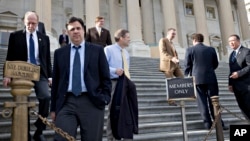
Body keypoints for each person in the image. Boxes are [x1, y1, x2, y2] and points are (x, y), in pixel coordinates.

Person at [50, 16, 111, 141]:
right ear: (67, 32)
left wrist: (105, 98)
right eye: (72, 29)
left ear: (83, 30)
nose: (76, 31)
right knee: (61, 138)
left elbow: (105, 77)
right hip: (67, 101)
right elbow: (56, 82)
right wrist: (53, 108)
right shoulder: (59, 53)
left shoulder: (97, 50)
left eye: (78, 28)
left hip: (91, 101)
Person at [3, 11, 52, 141]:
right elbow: (9, 56)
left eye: (33, 23)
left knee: (46, 97)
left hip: (39, 72)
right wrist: (7, 74)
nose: (31, 25)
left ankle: (39, 130)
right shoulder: (15, 36)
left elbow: (47, 59)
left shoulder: (44, 38)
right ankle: (25, 132)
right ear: (24, 22)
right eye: (28, 23)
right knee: (23, 100)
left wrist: (50, 76)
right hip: (21, 72)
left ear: (38, 23)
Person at [184, 33, 228, 130]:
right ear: (202, 40)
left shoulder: (190, 50)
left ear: (194, 40)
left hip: (197, 79)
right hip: (211, 78)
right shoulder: (211, 49)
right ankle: (219, 123)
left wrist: (188, 75)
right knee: (214, 102)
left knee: (202, 102)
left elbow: (187, 66)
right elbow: (215, 64)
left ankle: (207, 124)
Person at [104, 29, 138, 141]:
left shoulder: (126, 53)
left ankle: (125, 134)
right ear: (121, 38)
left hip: (125, 84)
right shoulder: (108, 50)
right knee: (113, 110)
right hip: (113, 83)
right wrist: (114, 70)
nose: (129, 39)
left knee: (126, 110)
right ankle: (111, 137)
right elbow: (102, 67)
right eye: (128, 37)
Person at [228, 34, 250, 121]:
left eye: (233, 41)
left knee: (248, 106)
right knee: (242, 107)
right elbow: (231, 70)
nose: (231, 43)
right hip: (236, 86)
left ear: (238, 41)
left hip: (247, 85)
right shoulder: (231, 55)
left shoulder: (246, 51)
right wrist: (230, 83)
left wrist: (239, 73)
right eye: (229, 41)